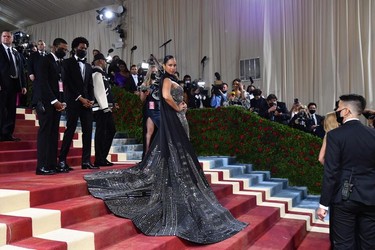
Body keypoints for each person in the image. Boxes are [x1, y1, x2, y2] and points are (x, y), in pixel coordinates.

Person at [84, 55, 247, 244]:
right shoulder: (166, 80)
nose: (173, 67)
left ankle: (176, 178)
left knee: (178, 152)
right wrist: (178, 108)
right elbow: (166, 96)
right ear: (164, 66)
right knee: (176, 151)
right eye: (170, 64)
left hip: (180, 118)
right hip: (176, 119)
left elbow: (173, 97)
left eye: (175, 64)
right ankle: (175, 183)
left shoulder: (172, 79)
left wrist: (182, 105)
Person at [317, 94, 375, 249]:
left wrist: (323, 204)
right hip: (371, 198)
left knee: (344, 244)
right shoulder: (373, 134)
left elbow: (331, 171)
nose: (337, 111)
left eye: (339, 108)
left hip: (345, 198)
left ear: (346, 111)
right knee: (369, 244)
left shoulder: (335, 135)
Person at [58, 37, 97, 170]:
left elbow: (90, 85)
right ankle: (62, 160)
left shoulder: (88, 66)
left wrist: (91, 100)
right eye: (81, 48)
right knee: (70, 130)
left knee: (87, 132)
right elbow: (67, 83)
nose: (84, 50)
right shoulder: (67, 63)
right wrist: (80, 98)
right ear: (75, 48)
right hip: (74, 102)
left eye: (85, 48)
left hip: (87, 104)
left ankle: (86, 161)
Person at [35, 38, 68, 175]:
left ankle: (51, 164)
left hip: (57, 104)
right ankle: (41, 166)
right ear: (54, 47)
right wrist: (54, 101)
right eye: (62, 49)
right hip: (46, 102)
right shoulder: (45, 60)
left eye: (66, 50)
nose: (64, 51)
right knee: (45, 134)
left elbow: (60, 84)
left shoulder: (59, 63)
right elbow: (43, 83)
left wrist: (62, 101)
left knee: (54, 134)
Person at [0, 30, 27, 142]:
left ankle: (8, 134)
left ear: (12, 38)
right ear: (1, 38)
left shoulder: (16, 53)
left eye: (8, 36)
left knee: (11, 111)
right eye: (4, 36)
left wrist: (23, 85)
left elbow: (21, 70)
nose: (6, 38)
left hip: (14, 85)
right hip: (2, 85)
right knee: (1, 110)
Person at [92, 53, 117, 168]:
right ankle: (99, 158)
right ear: (100, 61)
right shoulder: (97, 73)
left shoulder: (102, 74)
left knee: (109, 130)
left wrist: (111, 104)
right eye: (104, 61)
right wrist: (105, 107)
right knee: (102, 132)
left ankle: (102, 157)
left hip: (105, 107)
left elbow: (106, 91)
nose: (106, 63)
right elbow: (99, 91)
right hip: (101, 108)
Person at [139, 64, 160, 158]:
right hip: (150, 109)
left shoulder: (160, 83)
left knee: (159, 132)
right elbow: (142, 100)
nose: (154, 73)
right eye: (153, 72)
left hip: (159, 109)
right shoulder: (145, 84)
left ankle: (157, 155)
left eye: (156, 72)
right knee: (149, 132)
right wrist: (145, 93)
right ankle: (146, 155)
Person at [27, 40, 47, 108]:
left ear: (44, 46)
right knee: (36, 91)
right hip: (36, 76)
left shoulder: (48, 55)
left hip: (46, 77)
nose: (40, 45)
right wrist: (31, 74)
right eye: (38, 44)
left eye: (41, 44)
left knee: (45, 91)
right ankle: (34, 105)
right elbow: (29, 65)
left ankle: (44, 105)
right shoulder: (33, 55)